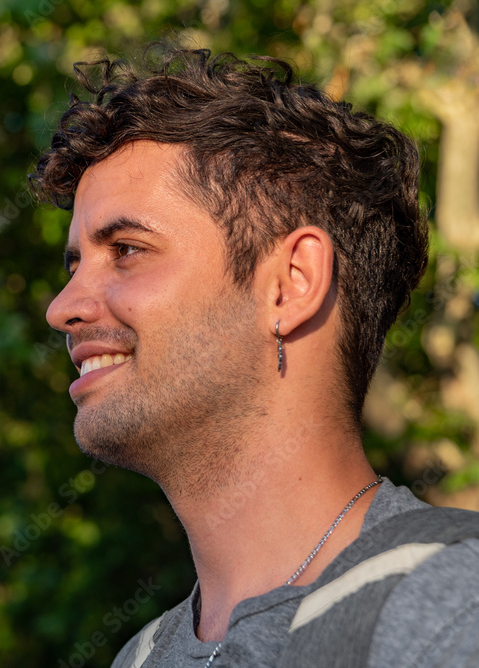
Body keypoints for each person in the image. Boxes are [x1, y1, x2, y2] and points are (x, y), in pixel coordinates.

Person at [31, 46, 479, 667]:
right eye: (75, 265)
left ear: (291, 283)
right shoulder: (142, 657)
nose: (62, 308)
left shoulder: (452, 605)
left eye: (127, 250)